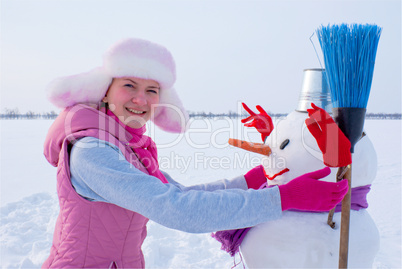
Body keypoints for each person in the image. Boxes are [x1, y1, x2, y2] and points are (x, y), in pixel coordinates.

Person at [42, 38, 349, 268]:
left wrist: (252, 180)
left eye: (152, 90)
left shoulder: (127, 147)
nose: (140, 98)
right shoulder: (92, 151)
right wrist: (285, 198)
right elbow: (177, 208)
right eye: (129, 85)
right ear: (105, 90)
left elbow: (177, 193)